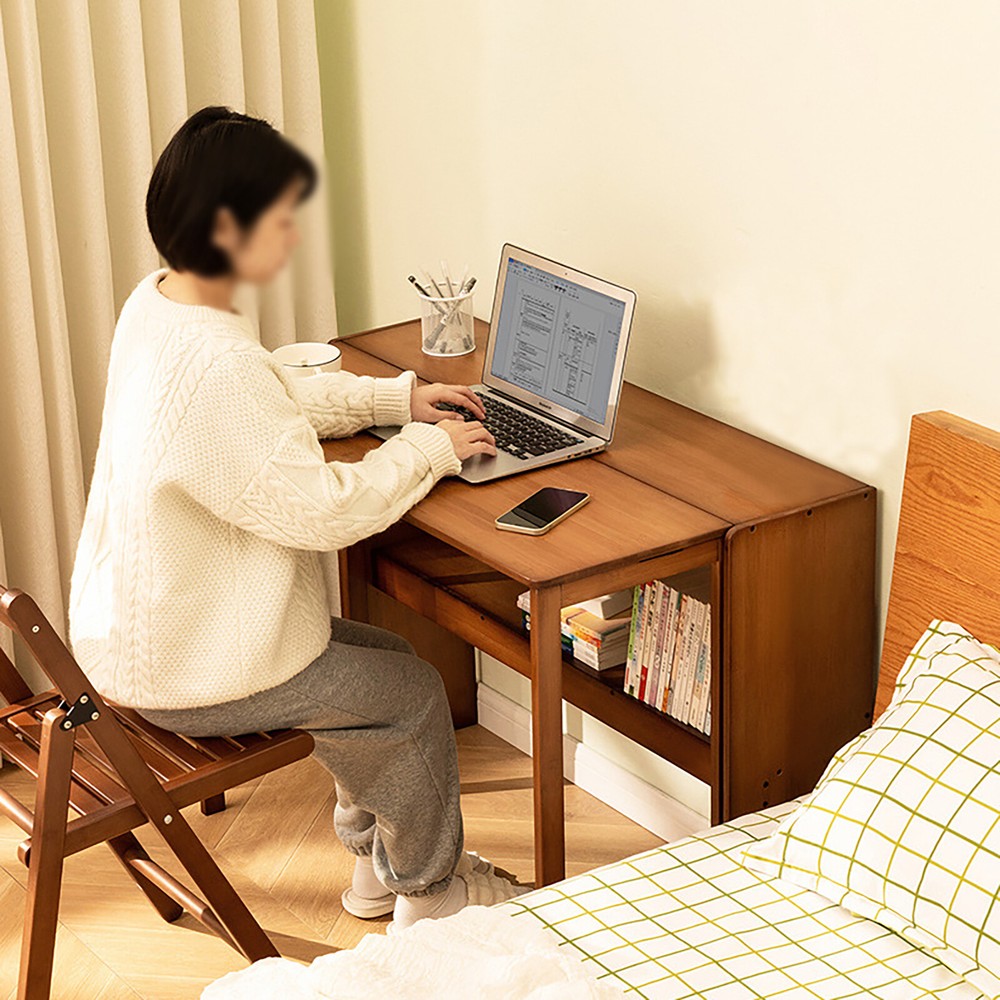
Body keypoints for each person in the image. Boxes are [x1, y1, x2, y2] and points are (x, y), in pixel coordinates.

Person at [67, 106, 529, 932]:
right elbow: (324, 512)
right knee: (413, 693)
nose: (293, 233)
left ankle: (376, 874)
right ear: (229, 228)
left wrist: (395, 401)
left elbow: (265, 406)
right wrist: (430, 448)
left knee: (384, 660)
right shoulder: (215, 361)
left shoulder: (158, 308)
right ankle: (432, 898)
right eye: (281, 217)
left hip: (148, 639)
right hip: (188, 672)